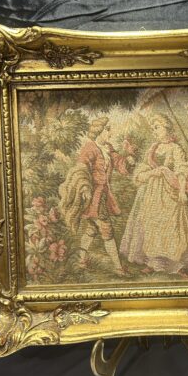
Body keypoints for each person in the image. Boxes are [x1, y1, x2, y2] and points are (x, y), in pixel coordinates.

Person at [120, 114, 188, 277]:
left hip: (172, 192)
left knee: (173, 227)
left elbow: (181, 170)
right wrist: (152, 173)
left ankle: (177, 265)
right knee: (152, 225)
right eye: (153, 128)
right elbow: (143, 170)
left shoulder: (176, 148)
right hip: (152, 193)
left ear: (167, 128)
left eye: (157, 127)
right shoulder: (153, 148)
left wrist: (182, 191)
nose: (154, 131)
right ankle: (154, 262)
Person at [59, 116, 135, 277]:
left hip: (103, 195)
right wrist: (84, 188)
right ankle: (118, 268)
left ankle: (80, 261)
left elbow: (119, 163)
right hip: (93, 196)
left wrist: (128, 158)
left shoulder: (107, 148)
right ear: (99, 131)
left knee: (92, 229)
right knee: (107, 229)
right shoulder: (89, 148)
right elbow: (81, 169)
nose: (110, 133)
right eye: (108, 129)